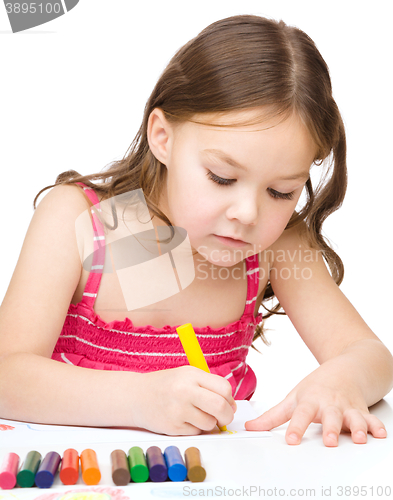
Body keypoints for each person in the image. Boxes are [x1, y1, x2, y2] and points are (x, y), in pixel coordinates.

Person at [0, 15, 392, 447]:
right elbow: (7, 373)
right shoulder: (81, 223)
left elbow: (372, 356)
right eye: (222, 177)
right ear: (163, 137)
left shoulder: (279, 244)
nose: (247, 213)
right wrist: (138, 400)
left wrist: (340, 378)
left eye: (281, 192)